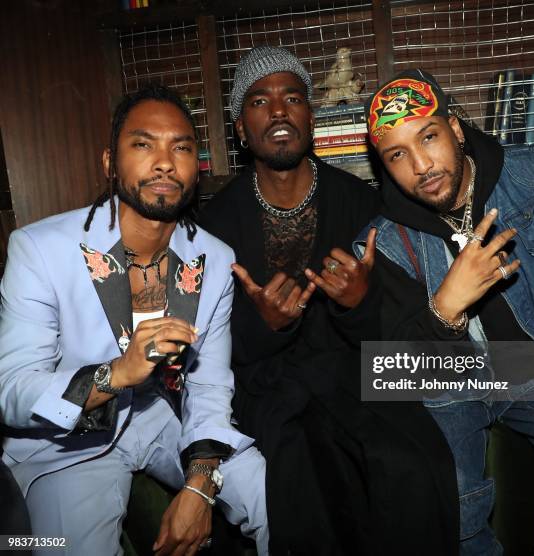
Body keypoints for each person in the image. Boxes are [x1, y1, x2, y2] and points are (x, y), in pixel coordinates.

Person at [198, 46, 459, 556]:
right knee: (302, 476)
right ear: (239, 127)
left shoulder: (361, 202)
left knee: (406, 463)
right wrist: (267, 325)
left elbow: (392, 337)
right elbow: (211, 355)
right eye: (259, 101)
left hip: (355, 378)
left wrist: (359, 301)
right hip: (269, 391)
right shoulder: (216, 227)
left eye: (292, 98)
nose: (278, 111)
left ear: (310, 117)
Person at [0, 84, 268, 556]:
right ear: (110, 163)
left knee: (273, 497)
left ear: (196, 167)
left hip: (161, 421)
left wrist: (201, 486)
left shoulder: (213, 257)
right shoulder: (39, 249)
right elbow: (12, 390)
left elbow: (208, 389)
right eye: (143, 144)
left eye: (181, 147)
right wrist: (117, 373)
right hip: (64, 448)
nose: (164, 162)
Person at [359, 68, 534, 555]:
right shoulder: (384, 241)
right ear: (383, 165)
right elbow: (391, 370)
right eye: (397, 154)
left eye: (428, 137)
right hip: (452, 380)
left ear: (454, 127)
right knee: (448, 492)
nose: (421, 165)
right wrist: (444, 310)